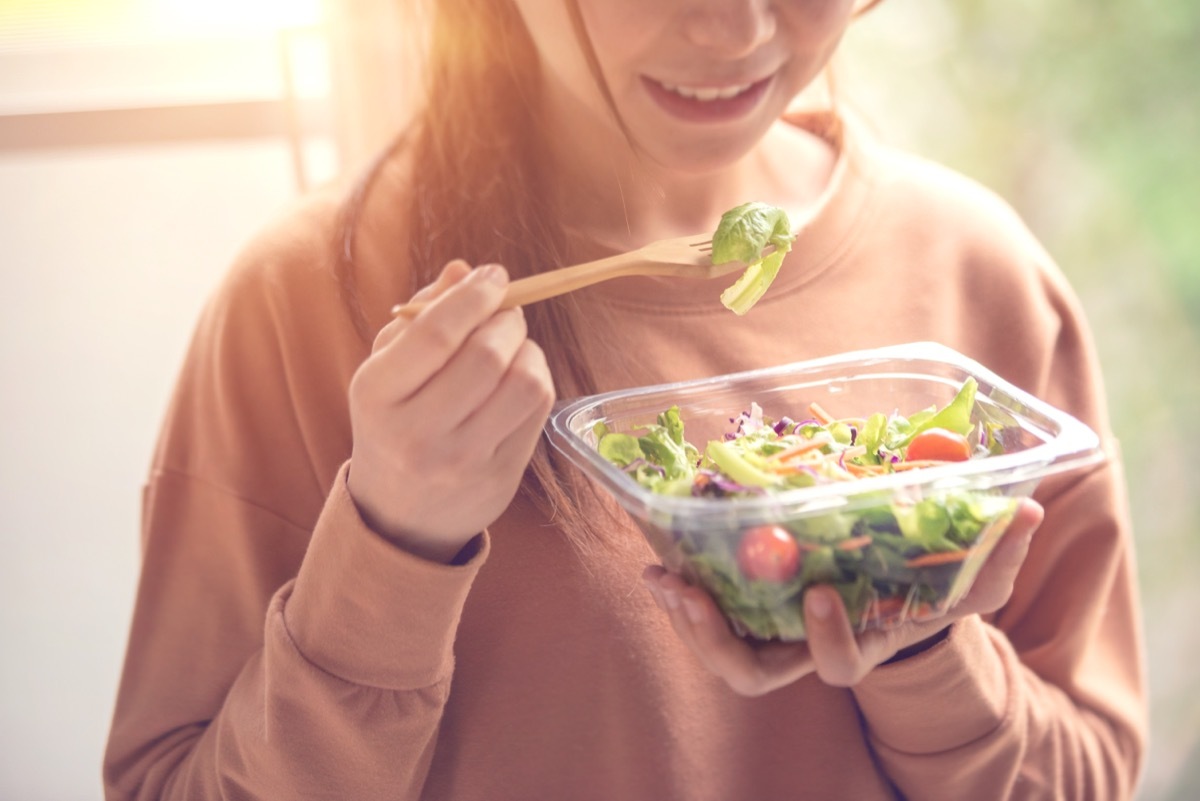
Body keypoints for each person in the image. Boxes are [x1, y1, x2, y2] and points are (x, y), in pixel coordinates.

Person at [103, 0, 1148, 799]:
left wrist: (916, 630)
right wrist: (391, 543)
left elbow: (1093, 768)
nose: (734, 28)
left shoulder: (978, 276)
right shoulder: (304, 303)